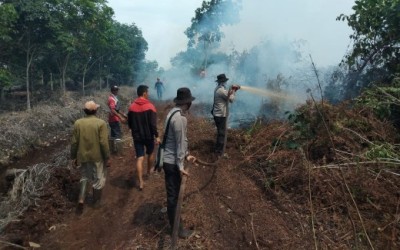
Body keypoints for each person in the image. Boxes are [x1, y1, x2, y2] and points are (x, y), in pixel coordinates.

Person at [163, 87, 196, 238]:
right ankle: (177, 230)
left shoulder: (172, 113)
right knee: (174, 197)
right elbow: (180, 144)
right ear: (188, 103)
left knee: (173, 195)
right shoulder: (180, 118)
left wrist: (187, 155)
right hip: (172, 163)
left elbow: (180, 141)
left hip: (168, 160)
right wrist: (181, 166)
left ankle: (176, 226)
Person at [71, 101, 110, 214]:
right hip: (97, 156)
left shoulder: (78, 123)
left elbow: (74, 142)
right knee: (98, 179)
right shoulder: (100, 123)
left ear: (85, 111)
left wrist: (73, 157)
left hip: (83, 156)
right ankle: (96, 202)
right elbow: (103, 142)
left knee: (84, 176)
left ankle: (81, 200)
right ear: (95, 110)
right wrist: (107, 156)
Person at [127, 85, 160, 190]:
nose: (149, 94)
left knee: (140, 158)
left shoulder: (132, 107)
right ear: (144, 93)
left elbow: (130, 123)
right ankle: (148, 172)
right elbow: (153, 124)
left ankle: (141, 182)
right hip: (148, 136)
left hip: (137, 137)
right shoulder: (150, 106)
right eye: (148, 92)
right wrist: (157, 136)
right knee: (150, 153)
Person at [211, 73, 239, 155]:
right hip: (220, 115)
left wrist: (233, 90)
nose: (225, 83)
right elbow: (231, 99)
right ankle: (219, 152)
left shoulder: (219, 88)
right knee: (222, 133)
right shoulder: (221, 90)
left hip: (218, 114)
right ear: (222, 82)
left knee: (221, 132)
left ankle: (218, 149)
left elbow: (227, 94)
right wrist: (234, 91)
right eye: (225, 81)